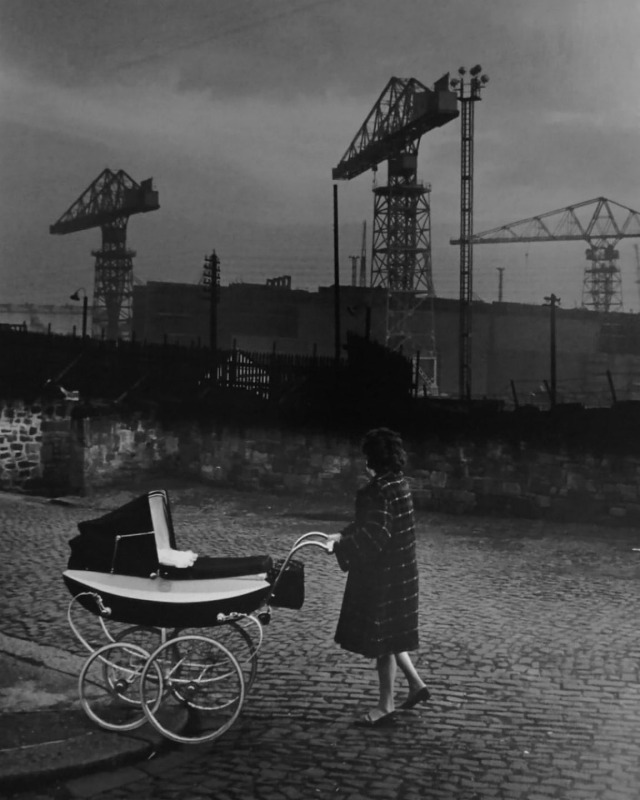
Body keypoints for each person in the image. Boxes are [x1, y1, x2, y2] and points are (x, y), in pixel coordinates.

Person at [328, 427, 430, 727]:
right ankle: (415, 684)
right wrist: (342, 535)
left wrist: (342, 546)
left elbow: (374, 535)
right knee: (392, 631)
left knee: (382, 641)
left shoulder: (377, 490)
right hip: (402, 573)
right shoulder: (399, 484)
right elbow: (372, 523)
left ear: (372, 458)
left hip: (383, 576)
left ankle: (385, 706)